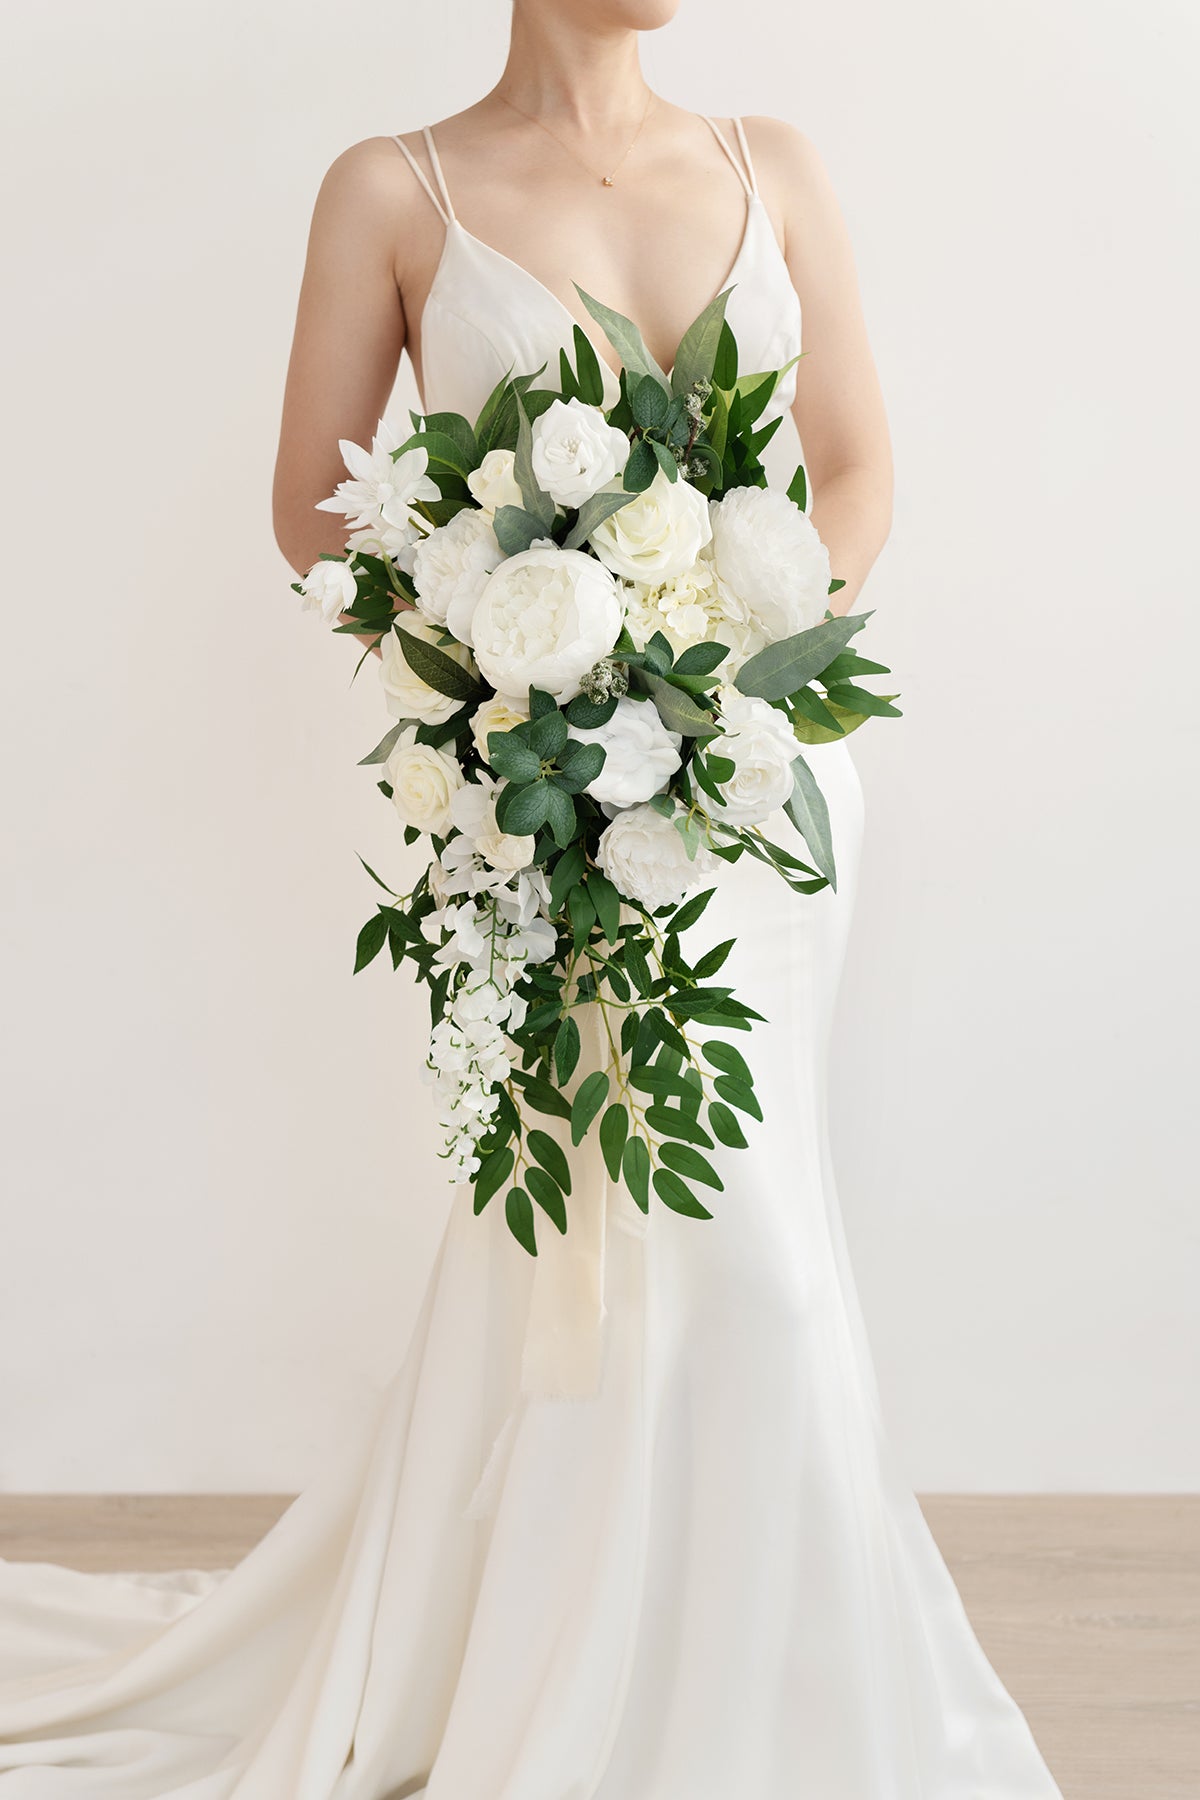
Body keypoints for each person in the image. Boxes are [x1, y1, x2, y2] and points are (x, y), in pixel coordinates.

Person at [0, 3, 1064, 1794]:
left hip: (772, 781)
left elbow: (859, 464)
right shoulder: (393, 189)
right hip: (550, 798)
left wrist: (740, 649)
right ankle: (604, 1664)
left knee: (746, 1226)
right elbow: (313, 511)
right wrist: (521, 678)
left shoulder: (771, 164)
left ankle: (740, 1668)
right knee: (622, 1236)